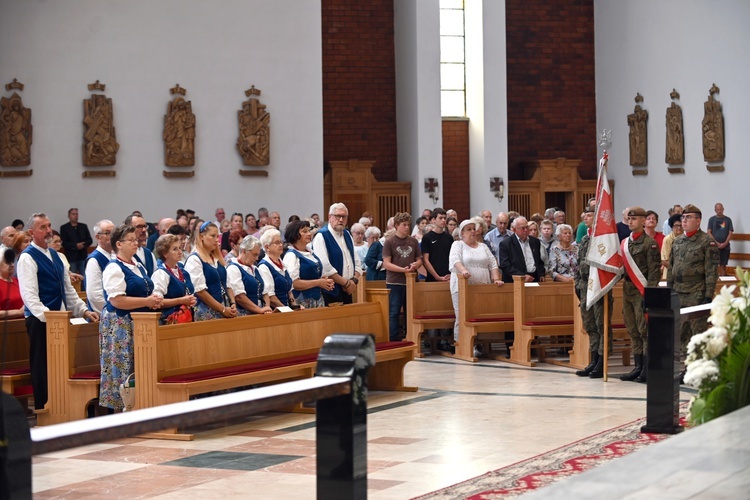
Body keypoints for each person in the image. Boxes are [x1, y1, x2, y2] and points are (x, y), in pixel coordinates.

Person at [17, 213, 99, 409]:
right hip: (39, 321)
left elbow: (68, 290)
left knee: (60, 365)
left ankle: (62, 406)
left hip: (59, 321)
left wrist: (84, 310)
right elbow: (29, 296)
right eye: (42, 227)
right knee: (42, 366)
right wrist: (51, 318)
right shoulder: (27, 258)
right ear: (31, 232)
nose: (48, 231)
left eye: (49, 226)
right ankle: (44, 408)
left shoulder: (56, 255)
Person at [99, 224, 161, 411]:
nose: (136, 243)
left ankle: (142, 405)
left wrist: (153, 300)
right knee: (122, 366)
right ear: (118, 243)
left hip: (141, 323)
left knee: (140, 365)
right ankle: (121, 409)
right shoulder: (114, 267)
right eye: (131, 240)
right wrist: (146, 301)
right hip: (120, 325)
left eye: (136, 240)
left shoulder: (138, 265)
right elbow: (117, 300)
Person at [667, 204, 719, 374]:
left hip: (696, 291)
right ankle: (688, 368)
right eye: (683, 218)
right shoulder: (678, 240)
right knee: (681, 333)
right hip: (678, 291)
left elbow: (711, 270)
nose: (684, 221)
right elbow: (671, 268)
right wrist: (669, 290)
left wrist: (708, 296)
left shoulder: (706, 241)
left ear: (698, 221)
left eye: (689, 218)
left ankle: (698, 369)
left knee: (697, 333)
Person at [619, 207, 661, 383]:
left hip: (642, 291)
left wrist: (649, 295)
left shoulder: (649, 244)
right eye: (629, 219)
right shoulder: (625, 243)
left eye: (634, 219)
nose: (630, 221)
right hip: (628, 289)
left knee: (644, 330)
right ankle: (637, 366)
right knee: (633, 329)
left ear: (644, 221)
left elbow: (654, 272)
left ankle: (646, 368)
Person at [449, 219, 504, 355]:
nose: (472, 231)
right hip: (463, 286)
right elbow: (455, 260)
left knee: (479, 315)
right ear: (462, 233)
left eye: (474, 228)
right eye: (469, 229)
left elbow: (493, 263)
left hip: (482, 288)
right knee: (462, 315)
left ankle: (479, 345)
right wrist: (463, 271)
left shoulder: (483, 246)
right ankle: (461, 344)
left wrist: (496, 279)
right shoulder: (458, 245)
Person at [573, 207, 611, 379]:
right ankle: (594, 360)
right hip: (585, 287)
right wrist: (577, 283)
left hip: (599, 286)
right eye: (585, 215)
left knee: (601, 325)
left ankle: (602, 362)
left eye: (589, 215)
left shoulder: (602, 239)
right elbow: (579, 263)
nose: (586, 218)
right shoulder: (586, 238)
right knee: (590, 326)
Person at [185, 221, 237, 321]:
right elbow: (200, 291)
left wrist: (233, 303)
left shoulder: (217, 258)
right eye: (212, 236)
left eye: (217, 236)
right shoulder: (195, 259)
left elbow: (228, 284)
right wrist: (222, 309)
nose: (216, 240)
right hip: (206, 311)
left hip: (225, 307)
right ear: (202, 237)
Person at [312, 203, 362, 305]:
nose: (341, 220)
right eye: (338, 216)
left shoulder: (347, 234)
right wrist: (346, 283)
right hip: (331, 290)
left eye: (344, 217)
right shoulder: (321, 236)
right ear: (329, 217)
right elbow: (325, 267)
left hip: (348, 289)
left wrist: (353, 281)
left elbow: (356, 262)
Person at [382, 212, 422, 341]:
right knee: (394, 312)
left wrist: (416, 265)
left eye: (408, 225)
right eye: (404, 225)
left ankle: (410, 337)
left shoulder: (413, 241)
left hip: (410, 281)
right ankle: (393, 339)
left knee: (410, 311)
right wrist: (403, 270)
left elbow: (419, 259)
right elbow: (386, 264)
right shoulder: (390, 242)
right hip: (395, 281)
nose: (407, 227)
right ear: (396, 226)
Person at [283, 220, 335, 309]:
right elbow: (294, 283)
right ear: (295, 235)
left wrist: (325, 282)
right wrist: (318, 282)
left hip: (317, 299)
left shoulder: (310, 252)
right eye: (304, 231)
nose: (309, 233)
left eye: (309, 230)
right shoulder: (292, 255)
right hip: (302, 300)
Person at [152, 234, 197, 325]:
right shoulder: (161, 273)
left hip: (186, 318)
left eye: (180, 248)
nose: (180, 252)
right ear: (165, 253)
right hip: (169, 321)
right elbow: (157, 302)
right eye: (175, 249)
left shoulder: (182, 271)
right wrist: (181, 300)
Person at [227, 235, 273, 315]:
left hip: (260, 313)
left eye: (258, 255)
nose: (257, 258)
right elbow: (239, 297)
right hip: (244, 315)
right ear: (244, 251)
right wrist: (259, 310)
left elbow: (265, 293)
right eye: (254, 254)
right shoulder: (233, 268)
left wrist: (267, 309)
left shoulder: (256, 269)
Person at [498, 217, 545, 283]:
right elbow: (505, 265)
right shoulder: (506, 244)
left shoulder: (535, 242)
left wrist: (541, 274)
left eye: (527, 227)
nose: (526, 230)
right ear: (514, 230)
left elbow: (539, 261)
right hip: (516, 280)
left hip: (534, 279)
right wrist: (523, 276)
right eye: (523, 228)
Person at [84, 219, 115, 314]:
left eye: (114, 232)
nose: (112, 236)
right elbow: (94, 295)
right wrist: (114, 310)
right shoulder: (94, 260)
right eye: (108, 233)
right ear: (98, 237)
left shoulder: (116, 256)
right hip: (106, 315)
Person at [258, 228, 295, 308]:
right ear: (267, 247)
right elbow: (270, 297)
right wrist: (286, 309)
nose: (281, 245)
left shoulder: (282, 263)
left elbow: (289, 291)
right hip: (275, 311)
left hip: (286, 309)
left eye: (281, 242)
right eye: (277, 243)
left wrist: (295, 306)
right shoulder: (264, 266)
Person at [422, 208, 453, 282]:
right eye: (440, 218)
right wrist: (437, 276)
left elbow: (452, 257)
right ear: (433, 220)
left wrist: (452, 274)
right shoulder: (427, 238)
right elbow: (425, 260)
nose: (443, 220)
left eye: (445, 218)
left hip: (448, 277)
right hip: (432, 278)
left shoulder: (449, 237)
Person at [59, 208, 93, 275]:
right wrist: (75, 246)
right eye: (73, 214)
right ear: (69, 216)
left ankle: (84, 286)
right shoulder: (64, 228)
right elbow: (64, 243)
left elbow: (90, 240)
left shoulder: (83, 226)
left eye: (77, 214)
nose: (75, 216)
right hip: (71, 257)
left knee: (85, 275)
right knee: (73, 275)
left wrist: (83, 245)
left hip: (83, 256)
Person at [707, 202, 734, 276]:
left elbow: (730, 232)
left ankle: (723, 283)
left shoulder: (728, 220)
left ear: (723, 209)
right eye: (717, 209)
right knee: (713, 266)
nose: (719, 211)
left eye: (721, 209)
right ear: (715, 210)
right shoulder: (711, 220)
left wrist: (725, 243)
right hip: (714, 246)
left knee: (723, 265)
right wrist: (716, 242)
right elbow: (709, 232)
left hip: (725, 247)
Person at [0, 248, 24, 319]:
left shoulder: (18, 281)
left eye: (13, 261)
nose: (12, 265)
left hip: (24, 324)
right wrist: (19, 312)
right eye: (7, 262)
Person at [660, 213, 684, 280]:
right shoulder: (667, 239)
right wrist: (679, 270)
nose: (679, 228)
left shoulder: (688, 239)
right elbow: (664, 261)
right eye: (676, 225)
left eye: (681, 225)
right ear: (672, 227)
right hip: (670, 274)